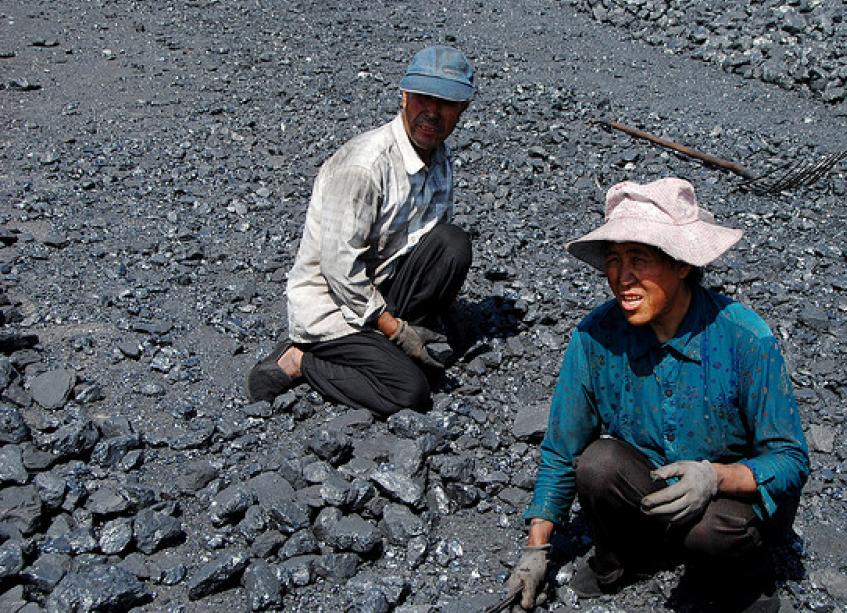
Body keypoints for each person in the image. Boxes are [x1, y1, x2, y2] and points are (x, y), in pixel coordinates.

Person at [507, 178, 810, 611]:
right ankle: (629, 556)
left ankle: (744, 583)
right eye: (614, 260)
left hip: (726, 503)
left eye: (640, 260)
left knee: (712, 530)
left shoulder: (745, 338)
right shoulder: (595, 338)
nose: (621, 278)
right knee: (596, 464)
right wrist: (536, 550)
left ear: (682, 264)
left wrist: (715, 477)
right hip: (651, 486)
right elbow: (562, 448)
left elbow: (791, 459)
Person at [246, 45, 475, 417]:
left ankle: (376, 345)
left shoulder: (439, 157)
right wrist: (396, 332)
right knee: (410, 391)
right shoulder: (364, 167)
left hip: (379, 285)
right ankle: (302, 358)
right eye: (423, 98)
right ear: (404, 96)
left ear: (462, 109)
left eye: (446, 103)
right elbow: (339, 270)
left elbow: (423, 246)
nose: (432, 112)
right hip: (332, 303)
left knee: (453, 244)